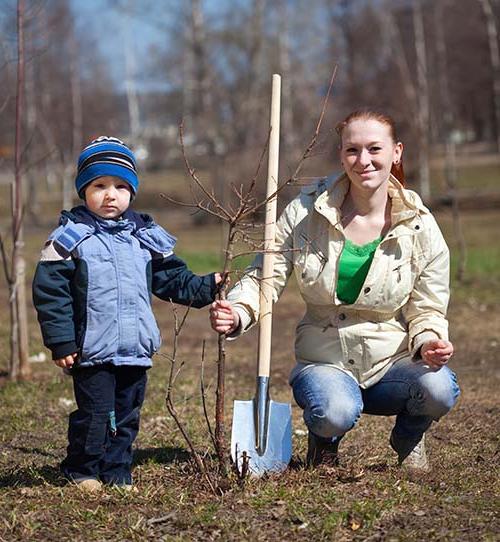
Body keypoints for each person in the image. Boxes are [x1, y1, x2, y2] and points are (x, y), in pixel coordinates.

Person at [209, 110, 460, 472]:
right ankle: (323, 441)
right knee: (335, 411)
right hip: (324, 358)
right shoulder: (306, 211)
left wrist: (428, 342)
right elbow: (266, 276)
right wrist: (238, 311)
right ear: (342, 156)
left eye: (374, 149)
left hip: (389, 361)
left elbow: (429, 306)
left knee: (440, 389)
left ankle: (409, 437)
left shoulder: (420, 226)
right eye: (352, 151)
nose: (364, 161)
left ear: (397, 152)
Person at [33, 136, 222, 491]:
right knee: (94, 415)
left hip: (135, 348)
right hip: (91, 350)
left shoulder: (145, 236)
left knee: (127, 415)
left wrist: (207, 287)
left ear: (132, 192)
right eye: (99, 185)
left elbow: (171, 280)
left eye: (121, 186)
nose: (110, 195)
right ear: (83, 189)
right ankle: (82, 469)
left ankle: (117, 470)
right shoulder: (69, 238)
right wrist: (61, 341)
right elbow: (50, 293)